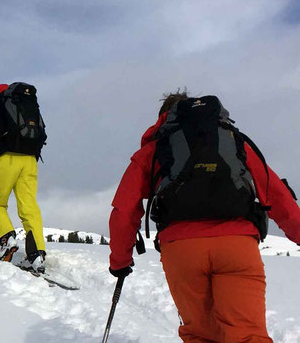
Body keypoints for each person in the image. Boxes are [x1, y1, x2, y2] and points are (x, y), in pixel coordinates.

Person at [109, 90, 300, 342]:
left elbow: (124, 211)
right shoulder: (232, 141)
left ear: (164, 119)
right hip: (237, 245)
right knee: (247, 334)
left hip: (182, 251)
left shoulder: (154, 150)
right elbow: (275, 193)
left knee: (201, 335)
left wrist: (120, 261)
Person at [0, 82, 48, 272]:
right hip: (30, 161)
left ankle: (7, 239)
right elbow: (42, 134)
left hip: (5, 160)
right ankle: (37, 253)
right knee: (29, 207)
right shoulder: (29, 109)